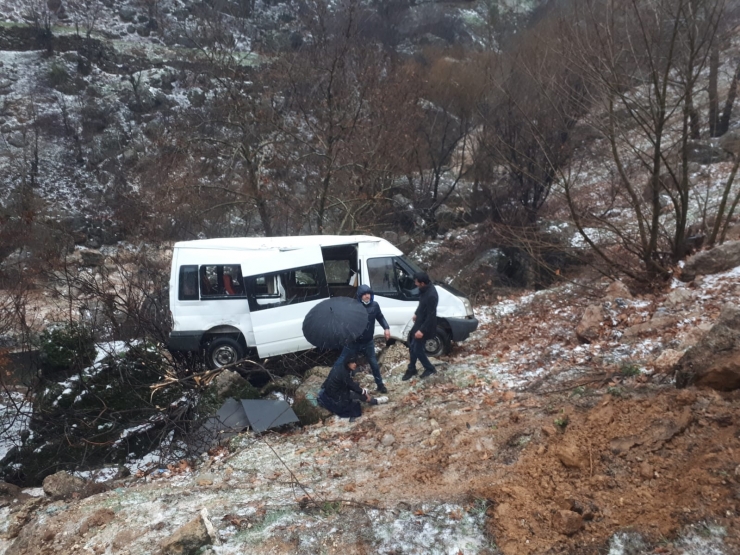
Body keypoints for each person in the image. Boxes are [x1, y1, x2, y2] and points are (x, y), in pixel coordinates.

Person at [334, 284, 391, 394]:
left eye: (368, 293)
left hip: (368, 342)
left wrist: (386, 328)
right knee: (342, 361)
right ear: (360, 296)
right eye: (364, 294)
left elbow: (380, 317)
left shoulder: (375, 306)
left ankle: (380, 385)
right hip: (353, 342)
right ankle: (331, 382)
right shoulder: (353, 307)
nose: (367, 296)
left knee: (374, 364)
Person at [317, 356, 385, 421]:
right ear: (348, 363)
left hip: (330, 391)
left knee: (357, 390)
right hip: (336, 397)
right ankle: (373, 401)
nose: (355, 364)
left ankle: (370, 399)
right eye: (352, 363)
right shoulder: (344, 373)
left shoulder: (339, 367)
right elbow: (351, 385)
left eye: (355, 362)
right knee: (357, 397)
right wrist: (363, 391)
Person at [402, 271, 438, 380]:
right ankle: (412, 368)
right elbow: (421, 304)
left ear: (422, 283)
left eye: (416, 282)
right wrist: (416, 313)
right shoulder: (424, 290)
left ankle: (430, 368)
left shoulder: (432, 295)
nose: (415, 283)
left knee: (417, 349)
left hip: (426, 326)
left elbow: (431, 316)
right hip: (419, 322)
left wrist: (421, 331)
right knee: (412, 346)